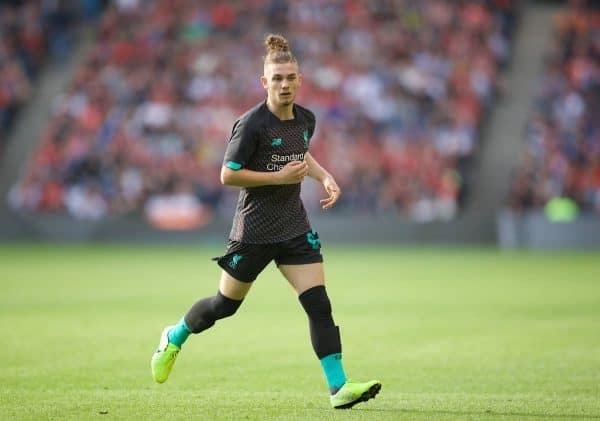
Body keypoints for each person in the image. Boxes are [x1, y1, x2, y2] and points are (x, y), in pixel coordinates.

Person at [151, 33, 381, 409]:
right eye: (277, 79)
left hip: (293, 227)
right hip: (254, 232)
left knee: (319, 304)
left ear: (300, 80)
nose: (284, 84)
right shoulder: (251, 125)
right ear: (264, 83)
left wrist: (324, 176)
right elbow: (227, 175)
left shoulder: (306, 119)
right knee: (224, 306)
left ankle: (339, 388)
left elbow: (300, 156)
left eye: (290, 78)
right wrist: (277, 179)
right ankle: (174, 336)